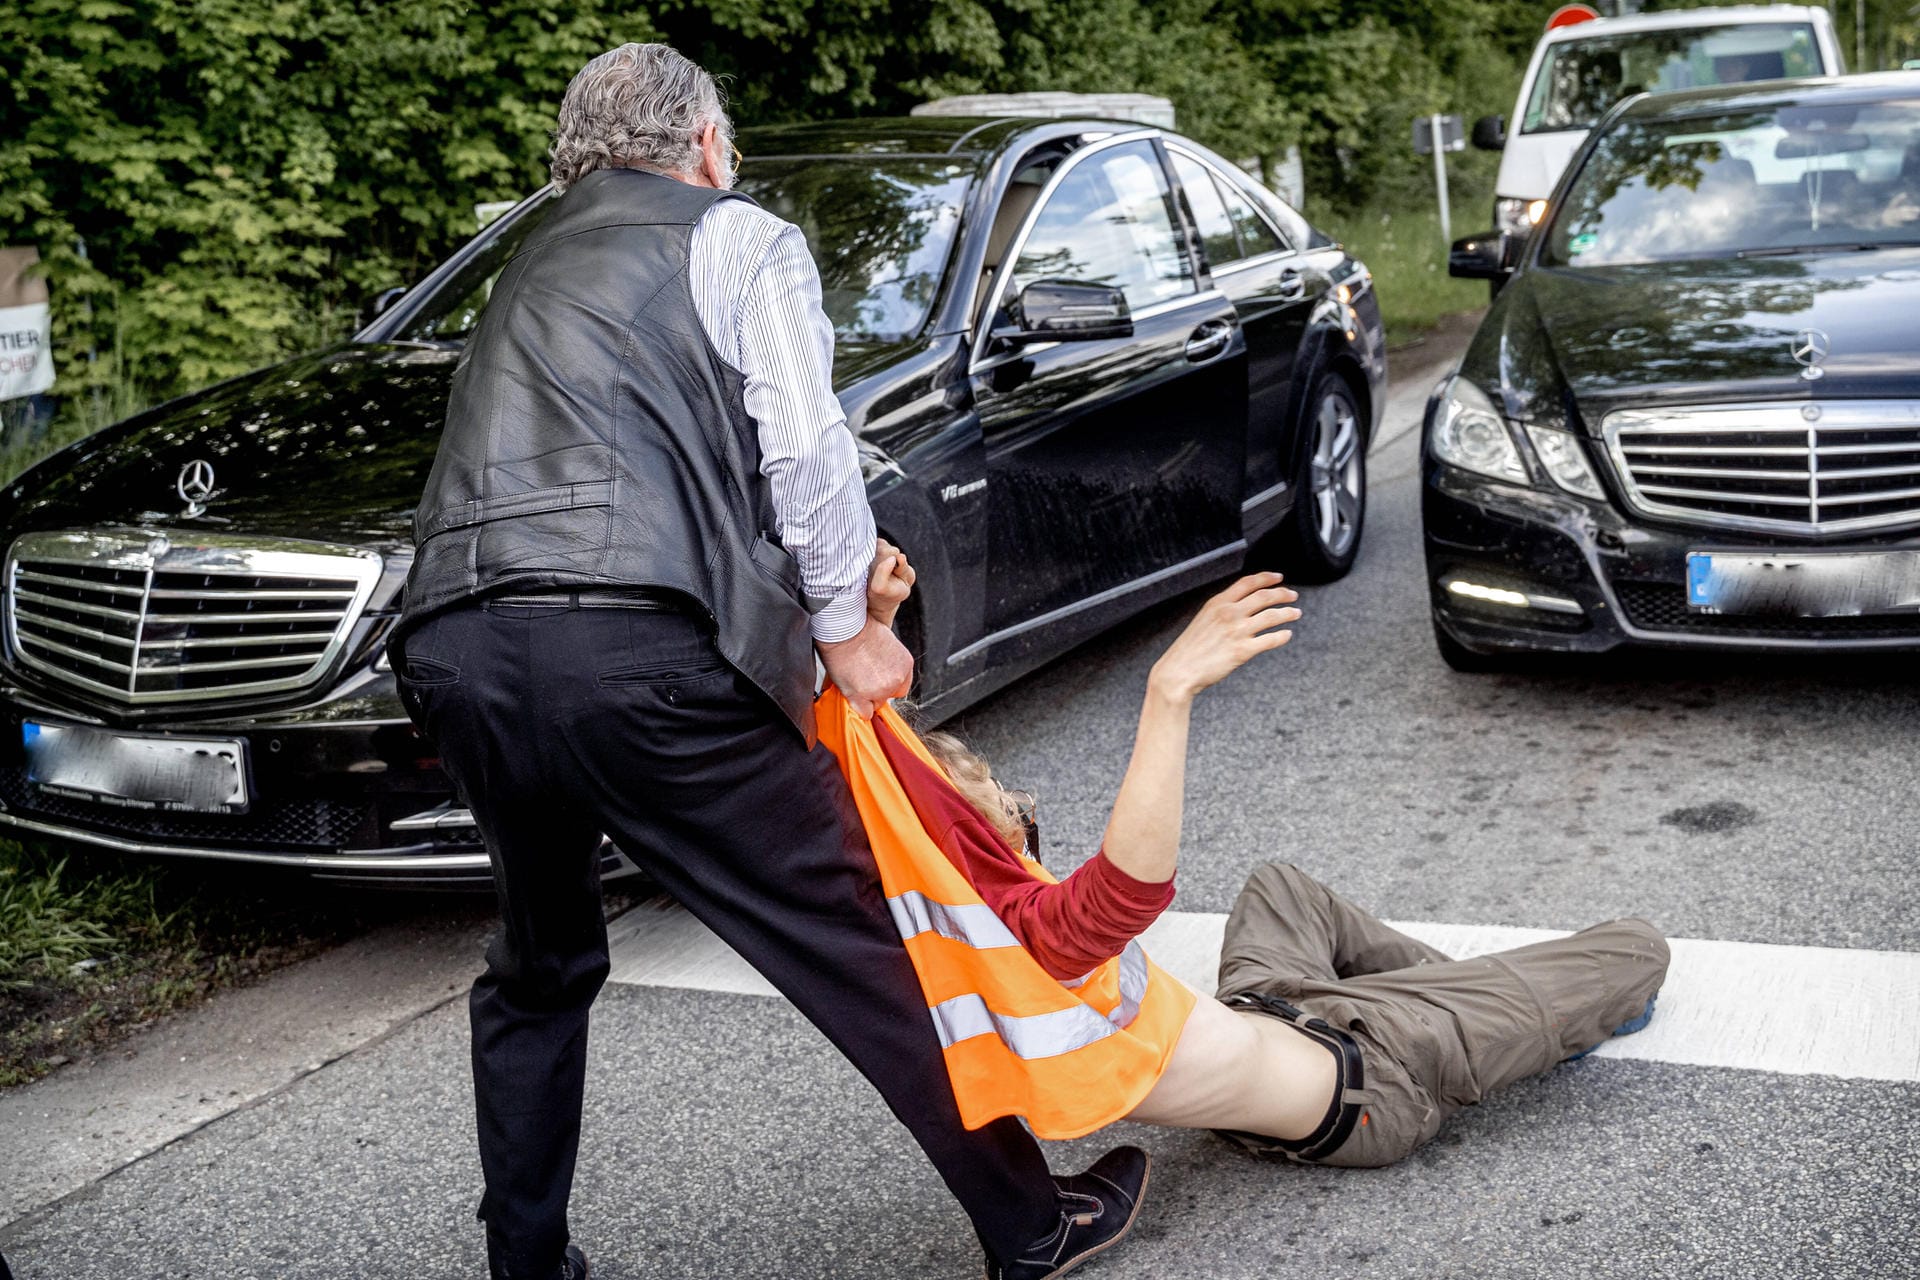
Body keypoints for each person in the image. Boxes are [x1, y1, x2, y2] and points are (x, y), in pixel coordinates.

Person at [393, 44, 1141, 1280]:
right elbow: (805, 451)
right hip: (632, 651)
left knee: (539, 964)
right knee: (851, 930)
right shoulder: (737, 237)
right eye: (725, 136)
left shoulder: (524, 260)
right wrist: (848, 628)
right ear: (702, 145)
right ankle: (1030, 1221)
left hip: (459, 646)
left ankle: (527, 1267)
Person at [859, 554, 1670, 1166]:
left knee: (1279, 886)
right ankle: (1497, 1014)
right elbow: (1119, 895)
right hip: (1376, 1074)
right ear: (974, 835)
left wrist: (874, 633)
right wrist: (1169, 690)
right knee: (1636, 947)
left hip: (1271, 1009)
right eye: (988, 792)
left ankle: (1480, 1002)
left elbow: (885, 778)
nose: (1005, 794)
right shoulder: (1031, 948)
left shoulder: (960, 942)